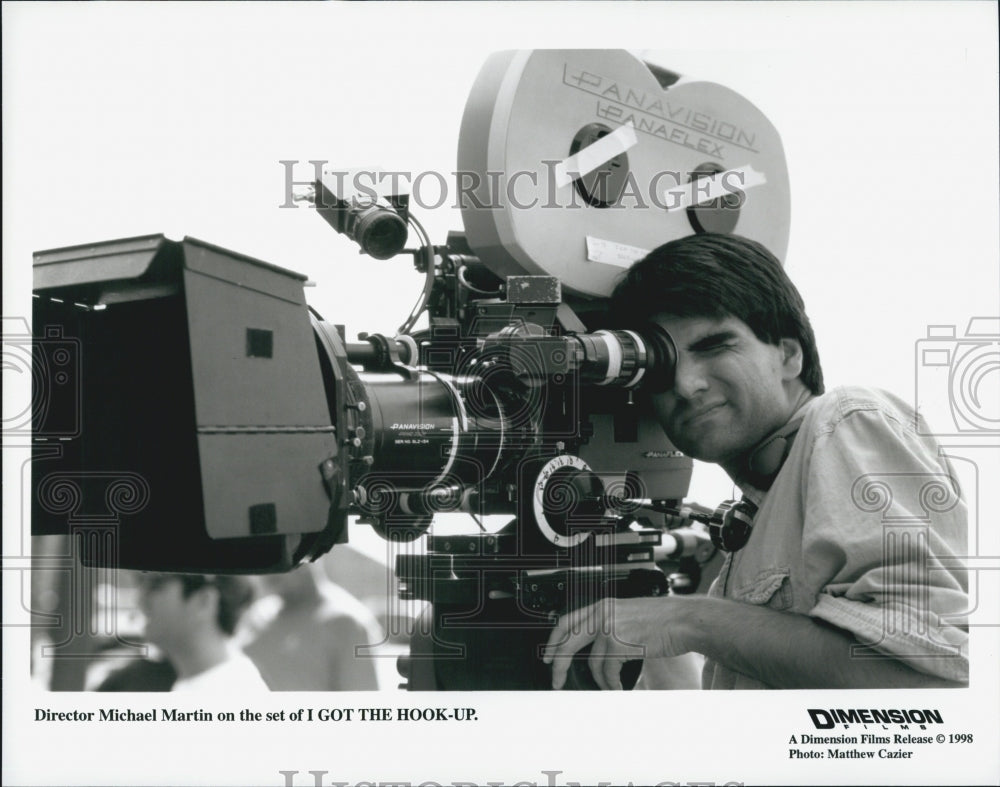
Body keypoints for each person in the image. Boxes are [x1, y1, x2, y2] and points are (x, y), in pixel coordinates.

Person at [544, 233, 969, 690]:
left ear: (788, 354)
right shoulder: (762, 512)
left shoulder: (845, 419)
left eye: (714, 346)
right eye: (664, 366)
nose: (686, 385)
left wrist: (690, 620)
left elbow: (927, 686)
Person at [245, 561, 381, 690]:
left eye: (275, 553)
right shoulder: (257, 616)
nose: (266, 567)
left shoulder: (348, 623)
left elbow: (361, 705)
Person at [136, 572, 269, 692]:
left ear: (204, 601)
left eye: (155, 585)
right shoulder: (208, 684)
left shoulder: (233, 692)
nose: (141, 601)